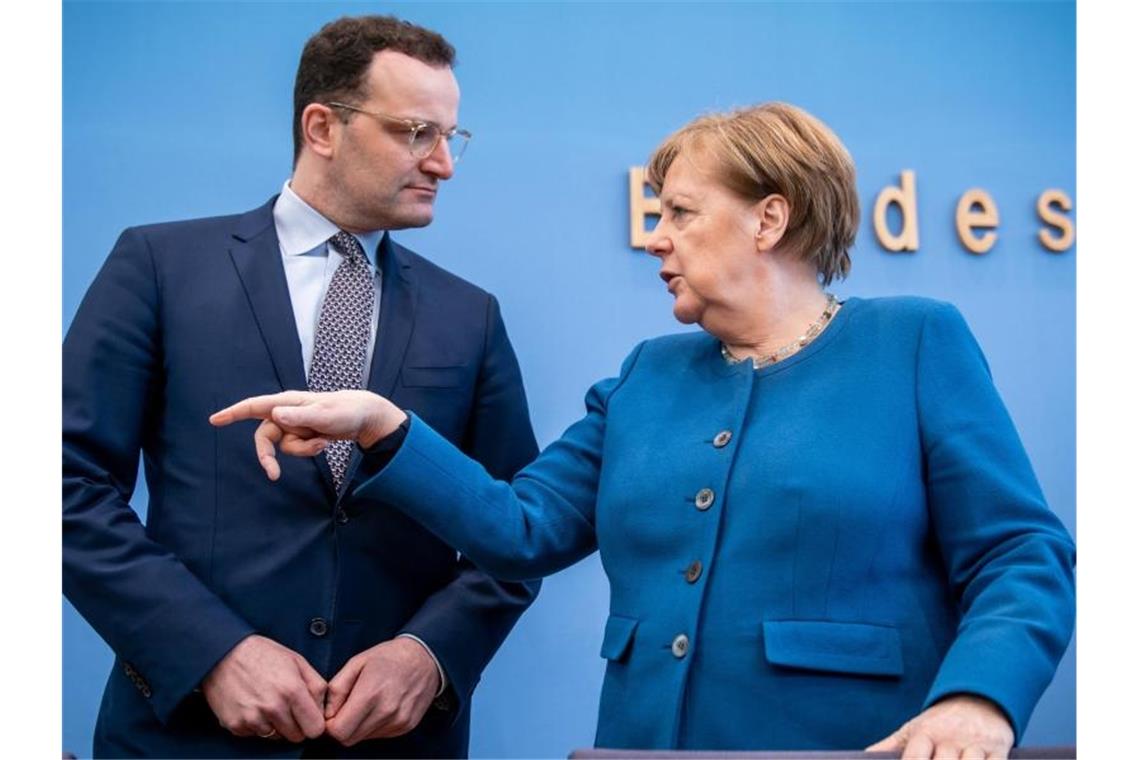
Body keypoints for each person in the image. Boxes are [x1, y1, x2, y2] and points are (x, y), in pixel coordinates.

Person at [212, 103, 1076, 759]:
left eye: (681, 214)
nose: (657, 239)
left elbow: (1020, 555)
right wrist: (385, 427)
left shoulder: (914, 340)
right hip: (640, 746)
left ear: (768, 220)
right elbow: (519, 529)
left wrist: (981, 700)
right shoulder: (648, 373)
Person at [63, 15, 540, 758]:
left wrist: (428, 656)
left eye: (453, 137)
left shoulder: (471, 316)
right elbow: (62, 484)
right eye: (417, 132)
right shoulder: (159, 266)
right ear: (322, 126)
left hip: (397, 743)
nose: (444, 163)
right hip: (189, 735)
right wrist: (212, 651)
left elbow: (517, 528)